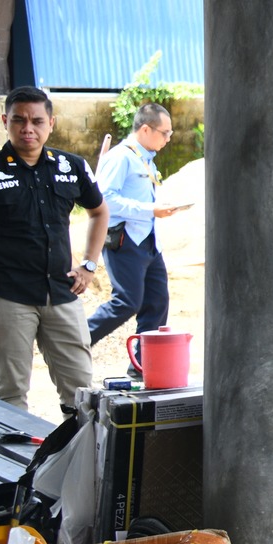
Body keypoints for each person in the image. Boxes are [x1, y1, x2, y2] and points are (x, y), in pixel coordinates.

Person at [0, 88, 108, 413]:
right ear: (5, 121)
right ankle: (16, 465)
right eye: (18, 120)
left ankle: (75, 462)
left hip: (62, 291)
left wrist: (89, 265)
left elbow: (99, 212)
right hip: (9, 296)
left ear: (51, 123)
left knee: (82, 392)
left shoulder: (71, 165)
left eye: (36, 120)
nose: (27, 128)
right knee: (10, 392)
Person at [86, 103, 188, 364]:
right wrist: (150, 210)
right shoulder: (120, 157)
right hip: (126, 240)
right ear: (145, 129)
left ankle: (144, 364)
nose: (168, 139)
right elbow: (105, 200)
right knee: (127, 302)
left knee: (157, 303)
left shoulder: (146, 159)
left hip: (150, 242)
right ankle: (77, 341)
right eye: (165, 133)